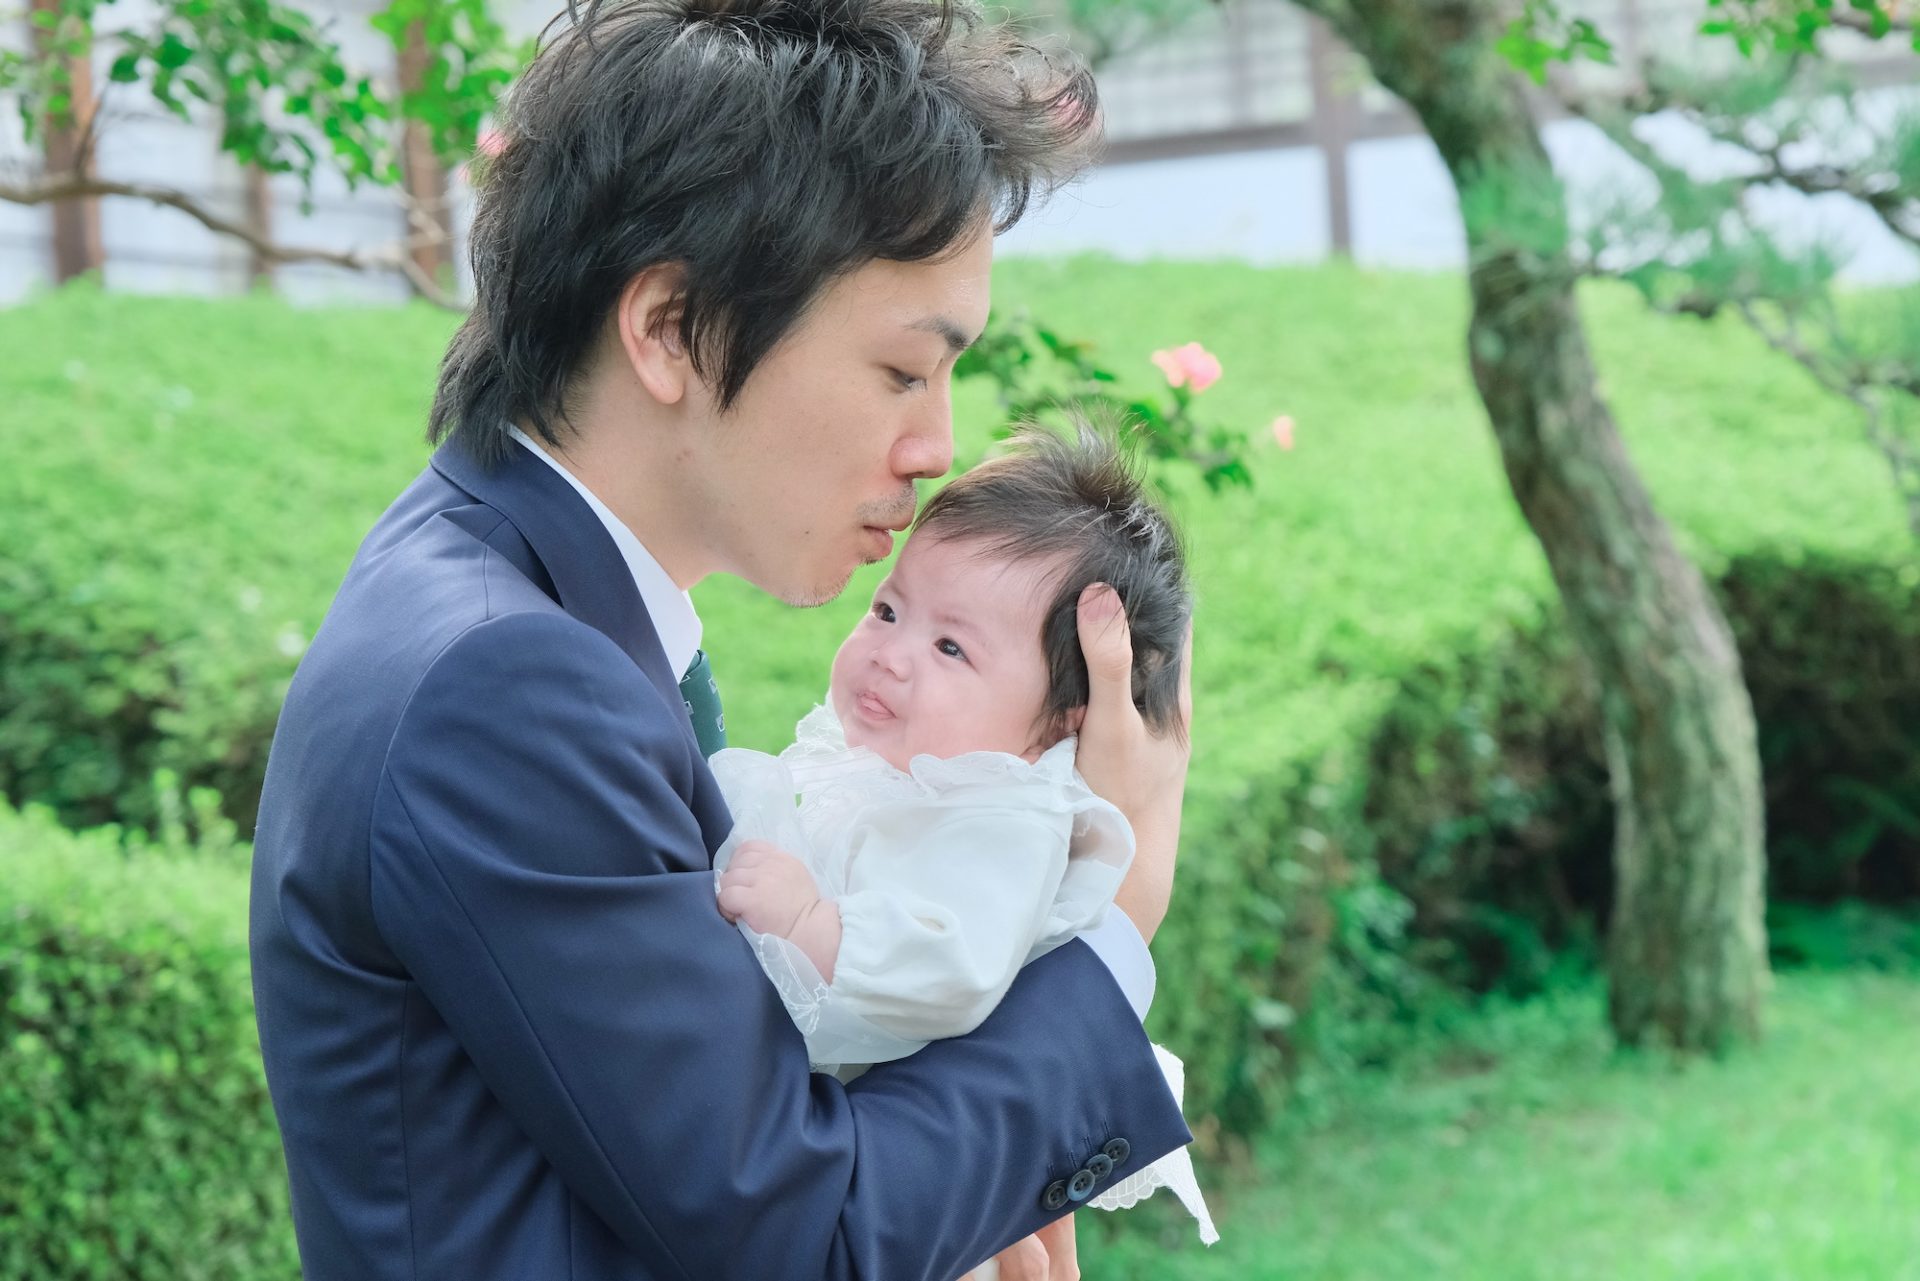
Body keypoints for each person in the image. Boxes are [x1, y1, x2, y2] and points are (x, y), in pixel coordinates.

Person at [248, 2, 1197, 1280]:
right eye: (905, 372)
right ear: (671, 331)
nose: (935, 448)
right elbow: (801, 1230)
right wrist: (1113, 924)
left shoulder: (536, 609)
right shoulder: (504, 684)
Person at [711, 427, 1220, 1262]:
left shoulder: (1005, 819)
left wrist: (810, 920)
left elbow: (951, 967)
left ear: (1065, 719)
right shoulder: (923, 781)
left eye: (952, 646)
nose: (892, 656)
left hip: (918, 1190)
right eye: (886, 610)